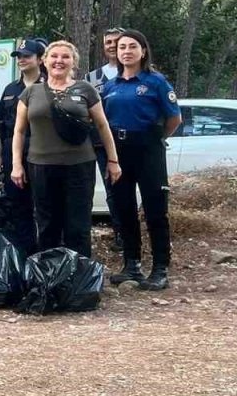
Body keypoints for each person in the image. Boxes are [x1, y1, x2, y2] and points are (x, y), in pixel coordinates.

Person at [11, 40, 120, 259]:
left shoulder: (85, 89)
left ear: (74, 63)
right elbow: (20, 131)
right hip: (41, 167)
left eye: (65, 57)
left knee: (78, 226)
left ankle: (79, 279)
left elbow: (102, 125)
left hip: (79, 167)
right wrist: (16, 164)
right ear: (44, 61)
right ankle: (49, 277)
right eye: (54, 56)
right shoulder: (30, 93)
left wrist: (113, 160)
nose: (59, 61)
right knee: (47, 224)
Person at [101, 28, 182, 290]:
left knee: (155, 210)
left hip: (148, 149)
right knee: (124, 210)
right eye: (122, 47)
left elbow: (174, 119)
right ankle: (131, 265)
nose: (126, 51)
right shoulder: (110, 86)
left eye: (132, 46)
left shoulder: (156, 82)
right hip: (119, 152)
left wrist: (155, 138)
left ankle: (159, 269)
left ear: (143, 51)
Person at [0, 38, 46, 254]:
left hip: (42, 150)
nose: (22, 60)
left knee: (44, 204)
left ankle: (46, 251)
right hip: (12, 153)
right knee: (16, 203)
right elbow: (2, 126)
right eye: (19, 57)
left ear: (40, 59)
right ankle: (23, 252)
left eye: (27, 56)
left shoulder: (49, 85)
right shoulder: (10, 88)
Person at [88, 27, 125, 249]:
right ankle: (120, 233)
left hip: (129, 142)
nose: (112, 45)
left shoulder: (135, 72)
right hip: (101, 143)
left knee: (131, 187)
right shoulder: (92, 77)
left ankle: (134, 232)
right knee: (112, 189)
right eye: (108, 42)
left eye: (116, 41)